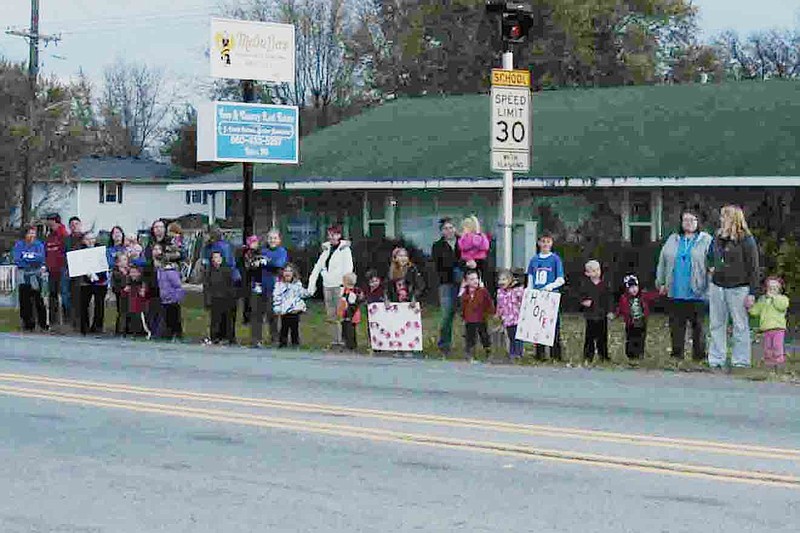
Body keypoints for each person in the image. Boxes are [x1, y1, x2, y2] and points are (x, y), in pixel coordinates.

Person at [707, 205, 760, 369]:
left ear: (734, 218)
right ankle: (716, 358)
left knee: (740, 325)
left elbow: (754, 267)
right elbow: (709, 255)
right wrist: (711, 267)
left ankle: (741, 361)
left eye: (725, 216)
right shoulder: (717, 237)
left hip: (739, 287)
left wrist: (752, 292)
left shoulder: (746, 239)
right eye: (721, 216)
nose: (721, 219)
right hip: (717, 286)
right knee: (716, 323)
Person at [656, 211, 713, 362]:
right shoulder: (673, 239)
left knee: (699, 327)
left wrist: (709, 288)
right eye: (685, 220)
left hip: (698, 291)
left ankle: (699, 357)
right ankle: (677, 355)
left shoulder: (706, 240)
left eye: (692, 220)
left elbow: (712, 265)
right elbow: (662, 262)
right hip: (675, 290)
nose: (688, 223)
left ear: (698, 221)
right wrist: (661, 283)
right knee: (676, 326)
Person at [307, 225, 354, 348]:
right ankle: (335, 340)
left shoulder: (345, 250)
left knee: (341, 314)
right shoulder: (326, 249)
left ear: (339, 235)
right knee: (331, 315)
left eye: (334, 234)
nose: (331, 237)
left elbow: (348, 269)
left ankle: (344, 341)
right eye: (330, 234)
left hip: (339, 286)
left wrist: (346, 287)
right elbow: (317, 267)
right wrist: (311, 285)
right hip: (327, 285)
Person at [526, 232, 565, 361]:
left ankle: (556, 354)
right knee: (538, 326)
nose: (545, 244)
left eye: (548, 242)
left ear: (551, 243)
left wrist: (550, 286)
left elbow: (560, 279)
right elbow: (531, 277)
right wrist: (530, 291)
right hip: (538, 296)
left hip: (551, 296)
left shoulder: (555, 259)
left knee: (553, 325)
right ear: (539, 243)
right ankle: (540, 354)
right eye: (543, 241)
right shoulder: (534, 259)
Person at [249, 230, 288, 348]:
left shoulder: (281, 252)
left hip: (273, 287)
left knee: (272, 314)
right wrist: (255, 263)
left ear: (279, 240)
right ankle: (256, 339)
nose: (272, 240)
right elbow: (252, 263)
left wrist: (265, 262)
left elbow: (278, 265)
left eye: (275, 238)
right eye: (270, 238)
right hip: (258, 286)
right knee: (256, 313)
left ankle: (274, 339)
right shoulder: (262, 250)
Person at [431, 217, 462, 355]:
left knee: (468, 314)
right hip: (446, 282)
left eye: (451, 228)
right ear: (441, 231)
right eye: (445, 228)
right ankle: (444, 344)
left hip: (464, 282)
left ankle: (470, 344)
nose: (449, 231)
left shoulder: (463, 242)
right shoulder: (437, 246)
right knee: (447, 313)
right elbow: (438, 265)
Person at [613, 274, 660, 361]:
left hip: (642, 321)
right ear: (627, 289)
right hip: (630, 323)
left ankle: (639, 353)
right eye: (631, 287)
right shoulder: (624, 298)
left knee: (641, 338)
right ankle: (631, 355)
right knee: (631, 338)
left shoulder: (643, 295)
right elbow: (620, 308)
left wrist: (660, 292)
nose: (634, 289)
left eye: (635, 286)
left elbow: (652, 296)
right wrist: (615, 315)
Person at [749, 276, 789, 370]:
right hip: (766, 329)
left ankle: (779, 363)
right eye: (770, 288)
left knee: (777, 346)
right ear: (766, 288)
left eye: (775, 288)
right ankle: (769, 363)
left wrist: (774, 298)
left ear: (779, 289)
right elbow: (756, 311)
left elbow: (782, 306)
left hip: (778, 328)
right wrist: (750, 307)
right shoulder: (763, 299)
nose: (772, 290)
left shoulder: (782, 299)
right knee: (767, 347)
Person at [12, 226, 47, 332]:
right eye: (29, 233)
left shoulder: (38, 245)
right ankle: (27, 324)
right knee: (24, 300)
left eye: (33, 233)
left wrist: (27, 258)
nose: (32, 235)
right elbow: (18, 260)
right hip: (23, 274)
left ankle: (42, 323)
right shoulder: (19, 245)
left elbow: (40, 258)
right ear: (25, 234)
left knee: (38, 299)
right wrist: (31, 259)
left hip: (36, 275)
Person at [579, 260, 613, 365]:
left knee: (602, 337)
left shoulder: (604, 285)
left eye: (598, 270)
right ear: (587, 273)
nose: (596, 272)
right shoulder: (585, 285)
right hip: (590, 315)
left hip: (602, 315)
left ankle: (604, 356)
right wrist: (584, 302)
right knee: (589, 337)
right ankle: (588, 356)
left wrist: (610, 311)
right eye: (593, 271)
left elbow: (609, 299)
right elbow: (580, 297)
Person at [272, 263, 311, 348]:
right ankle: (282, 343)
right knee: (284, 327)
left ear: (293, 273)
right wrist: (277, 307)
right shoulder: (279, 284)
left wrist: (309, 291)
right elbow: (276, 296)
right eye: (285, 271)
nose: (287, 273)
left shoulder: (297, 284)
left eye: (290, 271)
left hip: (294, 310)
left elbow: (302, 293)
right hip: (284, 310)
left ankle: (295, 343)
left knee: (294, 328)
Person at [77, 232, 109, 336]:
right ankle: (84, 327)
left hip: (100, 280)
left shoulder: (101, 250)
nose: (90, 241)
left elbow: (105, 264)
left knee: (99, 304)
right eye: (87, 239)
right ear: (83, 240)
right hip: (85, 281)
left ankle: (97, 327)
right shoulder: (80, 250)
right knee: (84, 304)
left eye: (92, 238)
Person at [204, 250, 237, 345]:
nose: (216, 260)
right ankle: (215, 337)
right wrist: (207, 300)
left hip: (226, 299)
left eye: (218, 257)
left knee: (226, 320)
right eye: (214, 258)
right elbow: (207, 286)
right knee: (215, 320)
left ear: (221, 259)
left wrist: (231, 298)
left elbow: (231, 286)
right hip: (214, 299)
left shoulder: (227, 270)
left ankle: (227, 338)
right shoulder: (209, 271)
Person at [460, 269, 494, 361]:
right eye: (471, 279)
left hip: (481, 318)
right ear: (466, 282)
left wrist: (490, 312)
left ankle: (488, 350)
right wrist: (463, 316)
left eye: (476, 278)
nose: (474, 281)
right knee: (470, 336)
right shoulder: (465, 293)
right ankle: (470, 352)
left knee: (484, 335)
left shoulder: (483, 291)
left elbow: (489, 302)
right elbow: (463, 306)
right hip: (469, 319)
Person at [155, 243, 185, 341]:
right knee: (167, 319)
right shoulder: (160, 272)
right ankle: (169, 335)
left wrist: (176, 297)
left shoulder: (170, 272)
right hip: (165, 300)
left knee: (175, 319)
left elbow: (178, 286)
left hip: (172, 300)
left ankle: (178, 335)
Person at [44, 214, 68, 327]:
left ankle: (67, 320)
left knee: (64, 295)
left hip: (62, 269)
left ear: (56, 222)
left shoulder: (63, 234)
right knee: (52, 295)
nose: (49, 224)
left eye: (50, 221)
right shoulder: (49, 235)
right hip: (51, 270)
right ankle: (53, 321)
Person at [495, 269, 524, 361]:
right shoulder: (500, 293)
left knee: (517, 337)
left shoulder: (516, 290)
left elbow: (523, 299)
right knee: (510, 336)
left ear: (510, 280)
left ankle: (518, 353)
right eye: (500, 279)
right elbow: (499, 305)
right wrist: (498, 314)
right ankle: (512, 352)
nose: (502, 282)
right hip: (507, 319)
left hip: (517, 317)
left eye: (504, 279)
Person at [458, 215, 490, 286]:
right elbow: (486, 246)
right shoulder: (482, 236)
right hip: (480, 261)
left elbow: (463, 246)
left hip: (471, 260)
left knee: (470, 281)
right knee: (479, 281)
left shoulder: (467, 237)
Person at [64, 216, 84, 329]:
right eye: (72, 224)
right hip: (71, 271)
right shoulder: (67, 239)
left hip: (83, 272)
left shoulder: (84, 237)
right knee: (70, 297)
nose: (74, 226)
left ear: (80, 225)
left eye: (76, 224)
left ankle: (82, 322)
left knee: (82, 297)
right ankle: (72, 322)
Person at [338, 272, 365, 351]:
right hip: (346, 313)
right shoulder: (346, 291)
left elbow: (352, 305)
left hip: (351, 314)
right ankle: (347, 343)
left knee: (350, 330)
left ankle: (351, 345)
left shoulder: (351, 293)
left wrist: (348, 315)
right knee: (345, 328)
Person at [123, 264, 150, 338]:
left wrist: (143, 292)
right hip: (132, 308)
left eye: (135, 272)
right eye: (131, 272)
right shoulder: (128, 283)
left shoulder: (142, 283)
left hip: (140, 309)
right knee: (132, 321)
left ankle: (145, 333)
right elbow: (124, 295)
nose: (133, 274)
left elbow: (145, 295)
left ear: (139, 273)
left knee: (141, 321)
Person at [111, 252, 130, 336]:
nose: (124, 262)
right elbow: (117, 284)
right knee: (121, 311)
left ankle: (128, 328)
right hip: (120, 293)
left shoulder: (129, 271)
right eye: (122, 260)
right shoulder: (116, 272)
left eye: (126, 259)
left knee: (128, 311)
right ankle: (120, 329)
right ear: (118, 262)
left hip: (129, 294)